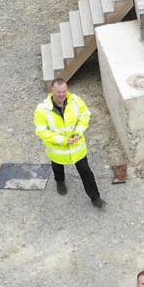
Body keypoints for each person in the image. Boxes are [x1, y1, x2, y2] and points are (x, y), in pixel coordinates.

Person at [33, 78, 104, 208]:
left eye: (64, 91)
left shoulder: (75, 101)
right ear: (52, 91)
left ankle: (95, 197)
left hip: (77, 147)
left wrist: (78, 131)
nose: (62, 94)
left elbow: (85, 115)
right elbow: (41, 131)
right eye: (58, 92)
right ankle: (60, 181)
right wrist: (62, 140)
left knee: (86, 171)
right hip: (57, 149)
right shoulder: (42, 110)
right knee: (57, 166)